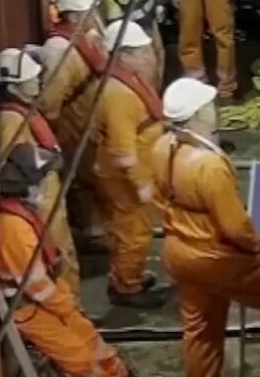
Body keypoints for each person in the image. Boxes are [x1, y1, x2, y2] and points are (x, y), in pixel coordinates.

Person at [147, 78, 260, 377]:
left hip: (179, 254)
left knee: (201, 329)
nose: (215, 109)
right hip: (216, 259)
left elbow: (160, 199)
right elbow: (235, 226)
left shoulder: (160, 147)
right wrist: (258, 242)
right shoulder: (209, 166)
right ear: (200, 114)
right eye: (210, 105)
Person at [0, 144, 131, 377]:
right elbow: (37, 287)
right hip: (31, 311)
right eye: (43, 179)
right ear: (28, 187)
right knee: (81, 360)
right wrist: (65, 305)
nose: (46, 185)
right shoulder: (13, 229)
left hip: (49, 303)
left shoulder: (24, 215)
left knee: (93, 343)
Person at [93, 19, 171, 308]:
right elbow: (123, 150)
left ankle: (127, 275)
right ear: (122, 55)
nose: (147, 57)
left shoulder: (127, 80)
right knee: (133, 233)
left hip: (138, 167)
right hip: (125, 178)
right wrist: (141, 185)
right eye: (139, 52)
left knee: (131, 230)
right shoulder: (118, 95)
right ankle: (127, 287)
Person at [0, 47, 81, 296]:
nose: (37, 82)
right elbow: (10, 163)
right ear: (14, 85)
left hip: (47, 192)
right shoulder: (12, 119)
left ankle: (73, 303)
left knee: (65, 249)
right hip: (40, 197)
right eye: (31, 79)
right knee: (58, 253)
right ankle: (68, 304)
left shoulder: (26, 111)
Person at [38, 0, 111, 256]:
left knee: (93, 174)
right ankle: (91, 233)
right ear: (75, 14)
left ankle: (97, 228)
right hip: (74, 126)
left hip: (90, 120)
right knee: (82, 179)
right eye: (88, 11)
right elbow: (50, 102)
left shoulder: (84, 37)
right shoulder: (59, 49)